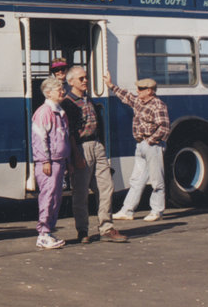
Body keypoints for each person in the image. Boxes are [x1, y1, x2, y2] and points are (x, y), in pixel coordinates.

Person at [62, 66, 128, 244]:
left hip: (97, 146)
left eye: (86, 78)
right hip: (81, 148)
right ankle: (82, 230)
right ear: (71, 82)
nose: (85, 81)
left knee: (106, 187)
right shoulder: (67, 103)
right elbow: (69, 133)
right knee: (81, 192)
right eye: (81, 78)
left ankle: (106, 227)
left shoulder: (87, 99)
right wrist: (76, 155)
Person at [105, 73, 171, 222]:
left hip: (152, 145)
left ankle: (157, 211)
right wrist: (110, 85)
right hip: (141, 145)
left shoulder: (158, 105)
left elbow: (164, 127)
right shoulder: (139, 102)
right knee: (136, 179)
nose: (138, 91)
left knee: (156, 180)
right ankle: (127, 211)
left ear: (150, 91)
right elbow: (126, 96)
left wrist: (151, 141)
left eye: (141, 89)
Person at [32, 77, 70, 249]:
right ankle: (43, 234)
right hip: (49, 163)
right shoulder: (44, 112)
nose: (63, 91)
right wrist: (44, 160)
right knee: (48, 197)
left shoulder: (59, 111)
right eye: (59, 89)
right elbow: (39, 139)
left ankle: (48, 231)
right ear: (48, 92)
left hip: (58, 161)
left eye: (62, 88)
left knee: (55, 198)